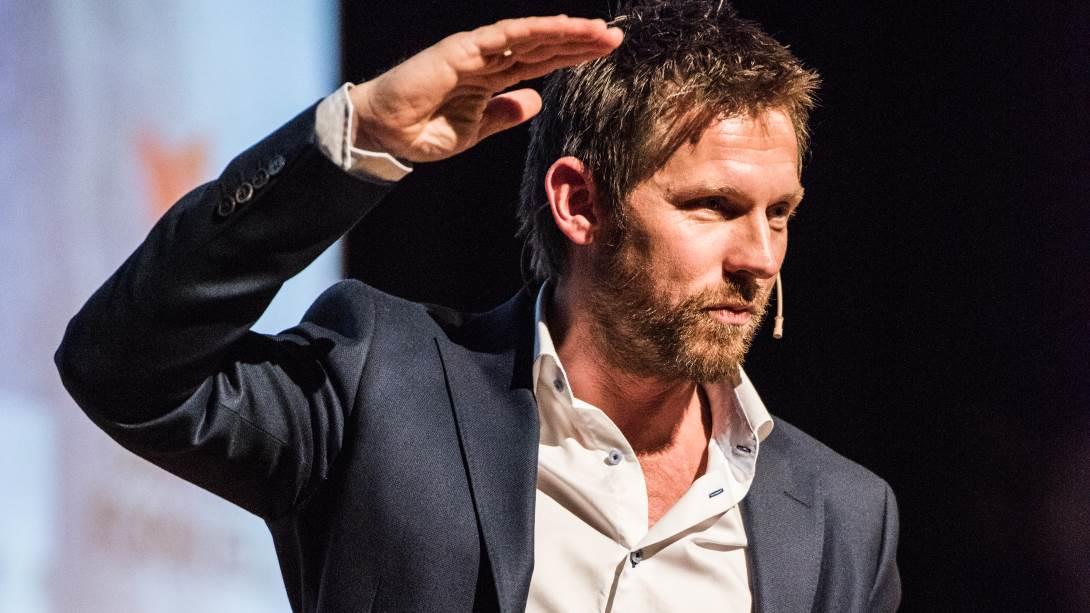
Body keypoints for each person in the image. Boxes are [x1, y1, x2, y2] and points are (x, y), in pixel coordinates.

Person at [56, 1, 900, 611]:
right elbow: (123, 368)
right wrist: (358, 139)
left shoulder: (841, 520)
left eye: (778, 213)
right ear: (580, 203)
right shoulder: (384, 385)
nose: (759, 256)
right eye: (713, 206)